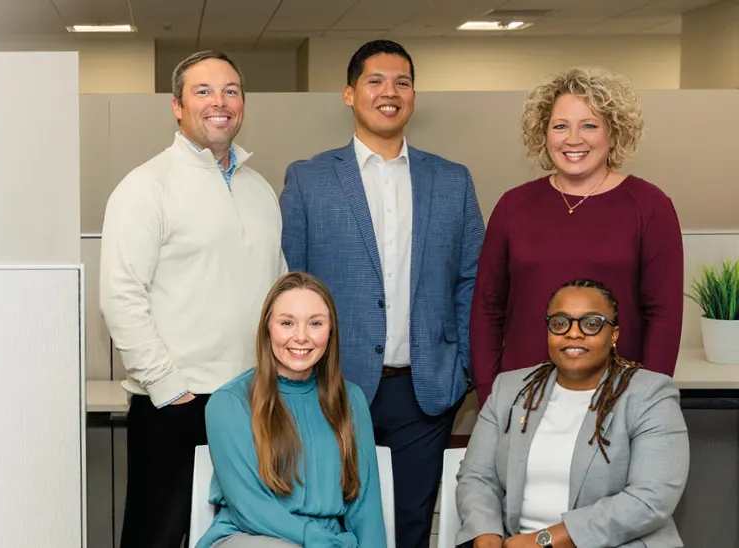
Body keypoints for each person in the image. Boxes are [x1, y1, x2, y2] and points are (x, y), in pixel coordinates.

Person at [278, 39, 484, 548]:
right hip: (333, 388)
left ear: (414, 95)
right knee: (333, 520)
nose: (389, 92)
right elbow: (290, 285)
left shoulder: (452, 181)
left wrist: (462, 370)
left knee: (410, 524)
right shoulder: (309, 180)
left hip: (426, 392)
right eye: (375, 81)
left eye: (403, 82)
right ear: (350, 94)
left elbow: (471, 280)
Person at [99, 50, 288, 548]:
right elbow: (120, 294)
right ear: (177, 107)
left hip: (253, 401)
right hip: (177, 403)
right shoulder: (146, 187)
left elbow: (278, 285)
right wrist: (168, 387)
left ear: (243, 104)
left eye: (230, 90)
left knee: (243, 535)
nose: (218, 102)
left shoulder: (260, 189)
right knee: (158, 535)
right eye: (202, 91)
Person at [469, 67, 683, 407]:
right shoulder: (513, 206)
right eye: (560, 126)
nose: (573, 139)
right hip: (524, 398)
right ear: (544, 134)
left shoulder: (650, 206)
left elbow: (664, 316)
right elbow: (486, 309)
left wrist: (646, 403)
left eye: (589, 125)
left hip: (615, 399)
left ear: (613, 133)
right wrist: (491, 395)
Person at [455, 279, 688, 548]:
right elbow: (477, 477)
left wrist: (545, 541)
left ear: (614, 334)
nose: (573, 333)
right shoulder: (509, 389)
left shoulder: (650, 395)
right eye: (560, 322)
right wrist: (488, 538)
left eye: (591, 323)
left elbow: (650, 499)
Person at [199, 272, 386, 548]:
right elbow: (251, 508)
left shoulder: (352, 399)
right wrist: (323, 543)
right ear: (267, 328)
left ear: (330, 331)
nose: (301, 337)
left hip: (331, 540)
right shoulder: (228, 402)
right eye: (287, 323)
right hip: (250, 538)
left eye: (315, 323)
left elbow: (365, 507)